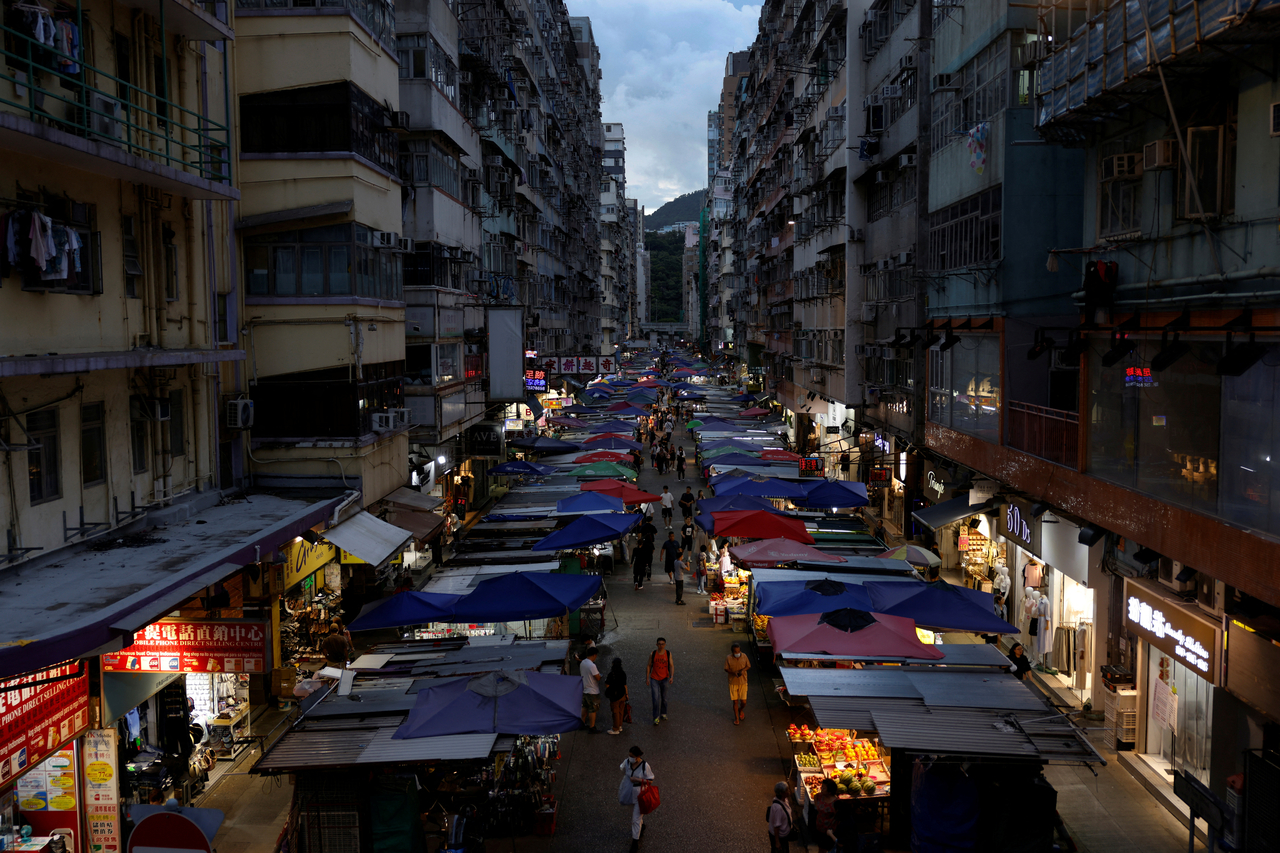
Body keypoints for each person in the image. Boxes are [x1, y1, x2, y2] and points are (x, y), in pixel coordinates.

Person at [619, 745, 655, 852]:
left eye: (632, 756)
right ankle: (641, 825)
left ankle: (635, 843)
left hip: (641, 795)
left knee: (635, 819)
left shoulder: (645, 766)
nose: (630, 758)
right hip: (629, 793)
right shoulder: (627, 762)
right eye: (629, 755)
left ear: (638, 756)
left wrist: (637, 779)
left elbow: (650, 781)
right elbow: (622, 768)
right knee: (636, 817)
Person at [645, 637, 673, 724]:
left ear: (665, 645)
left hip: (664, 678)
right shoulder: (653, 654)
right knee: (655, 698)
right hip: (654, 678)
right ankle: (656, 716)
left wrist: (671, 676)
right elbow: (649, 665)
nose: (661, 646)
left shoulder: (668, 654)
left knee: (664, 698)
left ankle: (663, 713)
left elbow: (671, 665)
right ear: (656, 645)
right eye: (659, 644)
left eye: (662, 644)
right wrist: (647, 678)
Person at [724, 641, 751, 724]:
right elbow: (726, 668)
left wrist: (743, 670)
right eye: (736, 652)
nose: (737, 653)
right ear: (732, 652)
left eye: (739, 651)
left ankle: (741, 709)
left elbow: (748, 666)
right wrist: (733, 672)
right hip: (733, 682)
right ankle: (736, 718)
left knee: (744, 702)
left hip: (743, 681)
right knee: (735, 701)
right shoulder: (728, 658)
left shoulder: (744, 656)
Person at [813, 778, 840, 851]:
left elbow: (839, 817)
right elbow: (815, 797)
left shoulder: (836, 803)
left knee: (827, 848)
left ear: (830, 792)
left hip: (829, 832)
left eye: (824, 788)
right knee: (821, 848)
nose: (821, 788)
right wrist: (817, 807)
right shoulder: (820, 796)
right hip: (819, 828)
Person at [768, 781, 795, 852]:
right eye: (787, 790)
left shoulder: (785, 800)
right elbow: (776, 826)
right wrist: (777, 842)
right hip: (780, 837)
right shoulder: (778, 808)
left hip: (784, 835)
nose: (789, 791)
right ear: (781, 793)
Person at [580, 647, 602, 733]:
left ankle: (582, 723)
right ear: (594, 655)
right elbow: (598, 677)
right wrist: (600, 675)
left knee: (584, 707)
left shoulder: (583, 662)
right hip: (593, 690)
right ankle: (592, 727)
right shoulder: (592, 665)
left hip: (585, 688)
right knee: (593, 709)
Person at [604, 658, 629, 735]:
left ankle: (616, 728)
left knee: (615, 712)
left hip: (615, 696)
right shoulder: (623, 673)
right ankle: (620, 725)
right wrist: (626, 694)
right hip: (622, 695)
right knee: (621, 711)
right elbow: (625, 685)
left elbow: (607, 684)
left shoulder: (611, 674)